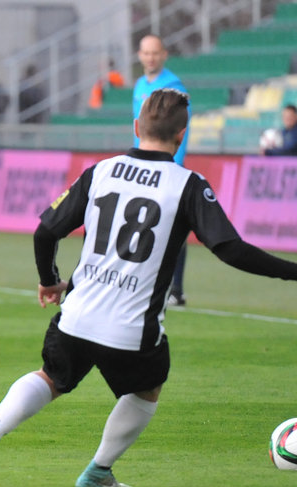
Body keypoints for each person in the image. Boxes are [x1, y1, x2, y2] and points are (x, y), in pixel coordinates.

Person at [0, 88, 297, 487]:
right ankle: (98, 471)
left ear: (137, 127)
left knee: (51, 377)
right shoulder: (188, 185)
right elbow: (230, 249)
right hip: (131, 330)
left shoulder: (101, 170)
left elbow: (45, 230)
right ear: (182, 135)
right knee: (147, 387)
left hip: (76, 316)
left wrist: (49, 279)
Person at [133, 34, 191, 306]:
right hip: (142, 165)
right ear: (139, 55)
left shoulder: (173, 87)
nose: (150, 58)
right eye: (146, 53)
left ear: (164, 54)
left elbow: (181, 129)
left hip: (165, 167)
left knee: (172, 227)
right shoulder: (139, 85)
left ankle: (176, 289)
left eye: (155, 53)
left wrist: (173, 165)